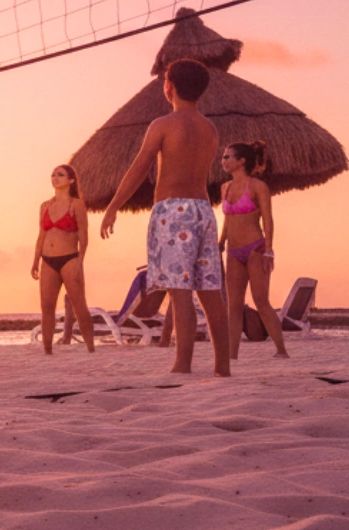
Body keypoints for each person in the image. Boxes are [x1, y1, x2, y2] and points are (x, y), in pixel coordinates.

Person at [101, 58, 229, 376]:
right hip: (203, 211)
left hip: (173, 212)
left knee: (179, 291)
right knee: (211, 293)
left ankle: (182, 365)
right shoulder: (209, 128)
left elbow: (140, 167)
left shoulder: (163, 124)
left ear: (168, 86)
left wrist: (114, 205)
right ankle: (222, 367)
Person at [218, 140, 288, 360]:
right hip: (233, 251)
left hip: (255, 248)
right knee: (234, 305)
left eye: (228, 157)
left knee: (261, 301)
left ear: (242, 161)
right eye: (223, 157)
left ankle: (281, 350)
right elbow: (228, 220)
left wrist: (269, 250)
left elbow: (268, 219)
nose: (224, 161)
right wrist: (221, 243)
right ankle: (232, 355)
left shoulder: (257, 186)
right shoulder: (225, 188)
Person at [32, 163, 92, 355]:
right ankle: (47, 351)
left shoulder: (77, 205)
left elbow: (84, 237)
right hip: (47, 260)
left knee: (79, 305)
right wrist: (35, 261)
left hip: (69, 259)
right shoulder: (44, 206)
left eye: (60, 175)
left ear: (70, 180)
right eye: (53, 175)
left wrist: (80, 262)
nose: (55, 178)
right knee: (47, 307)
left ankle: (91, 348)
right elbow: (41, 235)